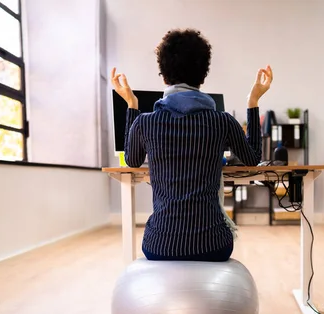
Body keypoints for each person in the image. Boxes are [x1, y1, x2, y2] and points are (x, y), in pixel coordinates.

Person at [111, 28, 273, 262]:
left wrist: (131, 104)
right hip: (213, 244)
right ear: (203, 75)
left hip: (160, 244)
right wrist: (253, 101)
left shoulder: (144, 122)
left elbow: (133, 161)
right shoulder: (222, 121)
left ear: (163, 74)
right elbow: (253, 158)